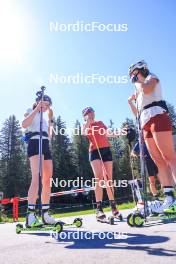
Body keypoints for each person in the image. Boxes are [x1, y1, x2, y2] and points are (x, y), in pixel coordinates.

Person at [128, 60, 176, 214]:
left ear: (141, 70)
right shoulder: (138, 89)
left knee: (168, 156)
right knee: (158, 159)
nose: (132, 77)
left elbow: (148, 90)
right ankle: (169, 197)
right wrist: (131, 102)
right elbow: (138, 112)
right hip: (145, 122)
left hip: (157, 116)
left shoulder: (150, 78)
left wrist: (138, 83)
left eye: (134, 73)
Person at [82, 107, 122, 221]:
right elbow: (83, 132)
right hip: (94, 151)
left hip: (106, 150)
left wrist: (121, 132)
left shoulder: (100, 123)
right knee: (99, 177)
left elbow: (107, 133)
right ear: (84, 116)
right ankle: (99, 209)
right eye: (87, 113)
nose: (90, 113)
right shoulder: (85, 124)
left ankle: (113, 207)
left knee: (108, 178)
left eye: (91, 111)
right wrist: (88, 122)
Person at [22, 95, 55, 227]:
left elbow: (50, 135)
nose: (45, 107)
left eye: (48, 105)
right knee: (37, 177)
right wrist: (36, 109)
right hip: (35, 142)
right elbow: (24, 124)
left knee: (47, 179)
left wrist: (51, 119)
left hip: (45, 143)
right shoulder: (30, 110)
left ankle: (45, 214)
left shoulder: (45, 119)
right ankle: (30, 216)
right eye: (44, 104)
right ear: (38, 102)